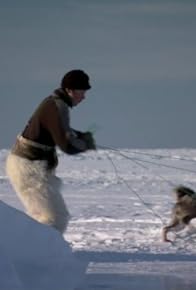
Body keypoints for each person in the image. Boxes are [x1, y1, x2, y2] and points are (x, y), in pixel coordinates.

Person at [6, 69, 96, 234]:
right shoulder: (57, 107)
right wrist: (85, 144)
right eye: (81, 91)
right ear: (69, 90)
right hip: (28, 169)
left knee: (49, 217)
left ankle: (36, 252)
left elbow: (61, 131)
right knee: (54, 218)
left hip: (31, 167)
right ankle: (39, 256)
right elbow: (66, 145)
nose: (84, 96)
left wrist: (81, 136)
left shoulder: (55, 104)